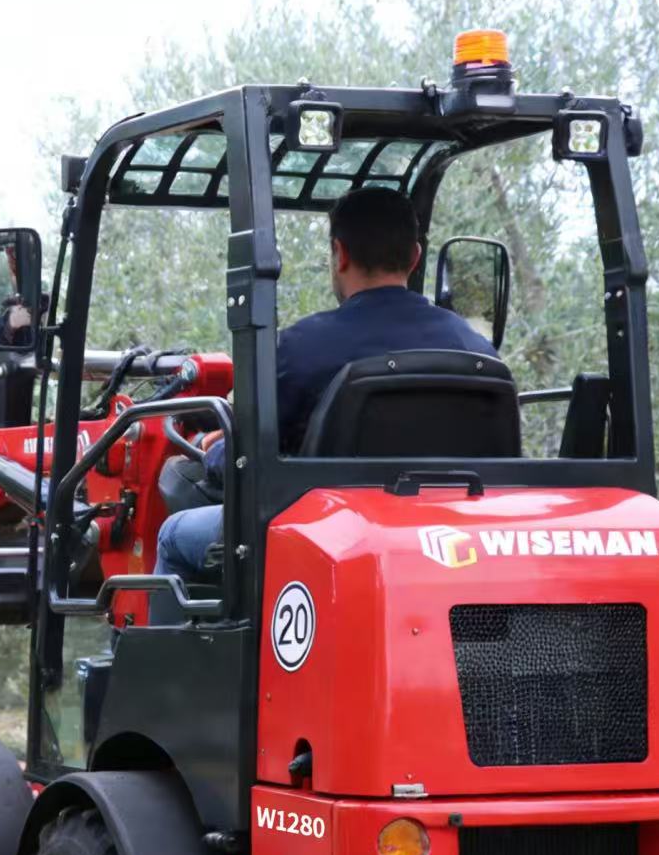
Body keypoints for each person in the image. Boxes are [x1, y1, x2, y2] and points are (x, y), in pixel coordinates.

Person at [155, 186, 497, 582]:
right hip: (453, 533)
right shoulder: (477, 350)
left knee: (172, 536)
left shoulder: (302, 348)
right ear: (415, 256)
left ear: (341, 254)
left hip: (327, 534)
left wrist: (208, 450)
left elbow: (242, 463)